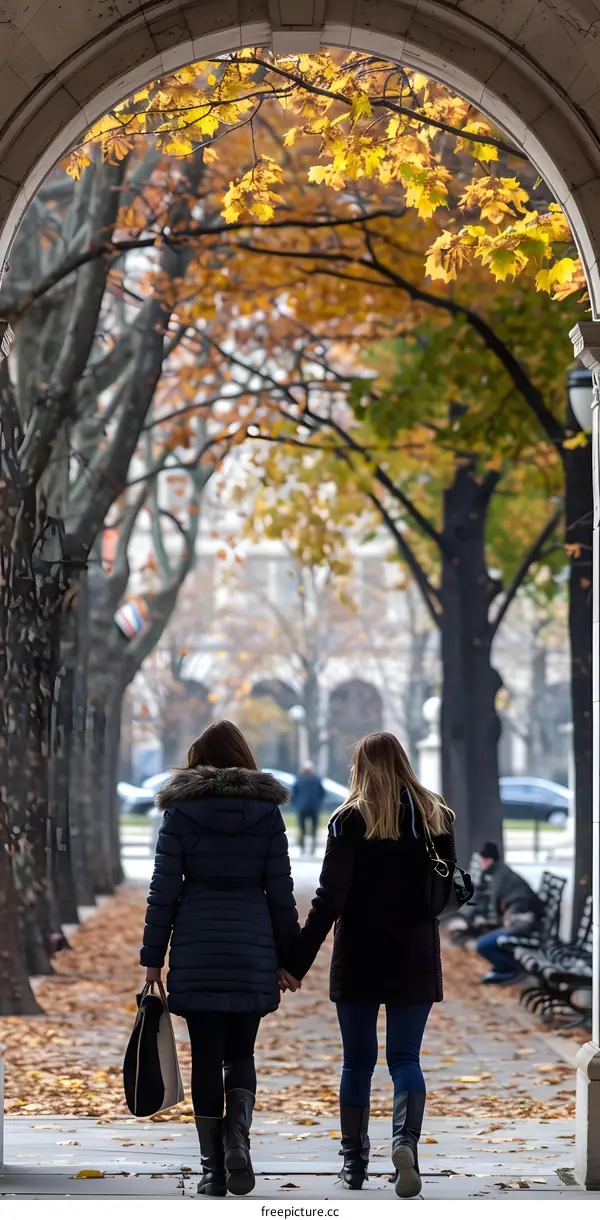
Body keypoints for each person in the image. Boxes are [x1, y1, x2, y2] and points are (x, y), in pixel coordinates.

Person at [279, 731, 456, 1199]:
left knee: (357, 1062)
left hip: (359, 953)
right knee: (405, 1058)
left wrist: (296, 962)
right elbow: (442, 894)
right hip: (413, 952)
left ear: (359, 767)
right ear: (404, 761)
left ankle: (354, 1165)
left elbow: (328, 900)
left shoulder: (347, 820)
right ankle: (406, 1146)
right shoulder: (433, 815)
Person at [140, 721, 300, 1198]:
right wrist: (289, 956)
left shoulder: (181, 812)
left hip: (197, 943)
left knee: (206, 1056)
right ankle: (238, 1144)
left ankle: (212, 1168)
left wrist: (152, 961)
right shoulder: (267, 813)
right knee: (241, 1054)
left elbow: (163, 893)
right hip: (252, 944)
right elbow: (281, 894)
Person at [474, 841, 544, 984]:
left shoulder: (501, 877)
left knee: (482, 945)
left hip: (523, 924)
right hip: (520, 920)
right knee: (485, 940)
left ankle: (511, 969)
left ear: (489, 860)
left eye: (482, 860)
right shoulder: (501, 873)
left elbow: (519, 900)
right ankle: (502, 968)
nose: (480, 864)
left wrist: (508, 918)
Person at [291, 761, 325, 855]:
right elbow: (322, 793)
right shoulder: (316, 780)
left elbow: (294, 794)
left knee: (305, 829)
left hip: (304, 808)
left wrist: (296, 804)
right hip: (312, 807)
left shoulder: (299, 780)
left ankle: (306, 848)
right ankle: (308, 848)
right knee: (308, 830)